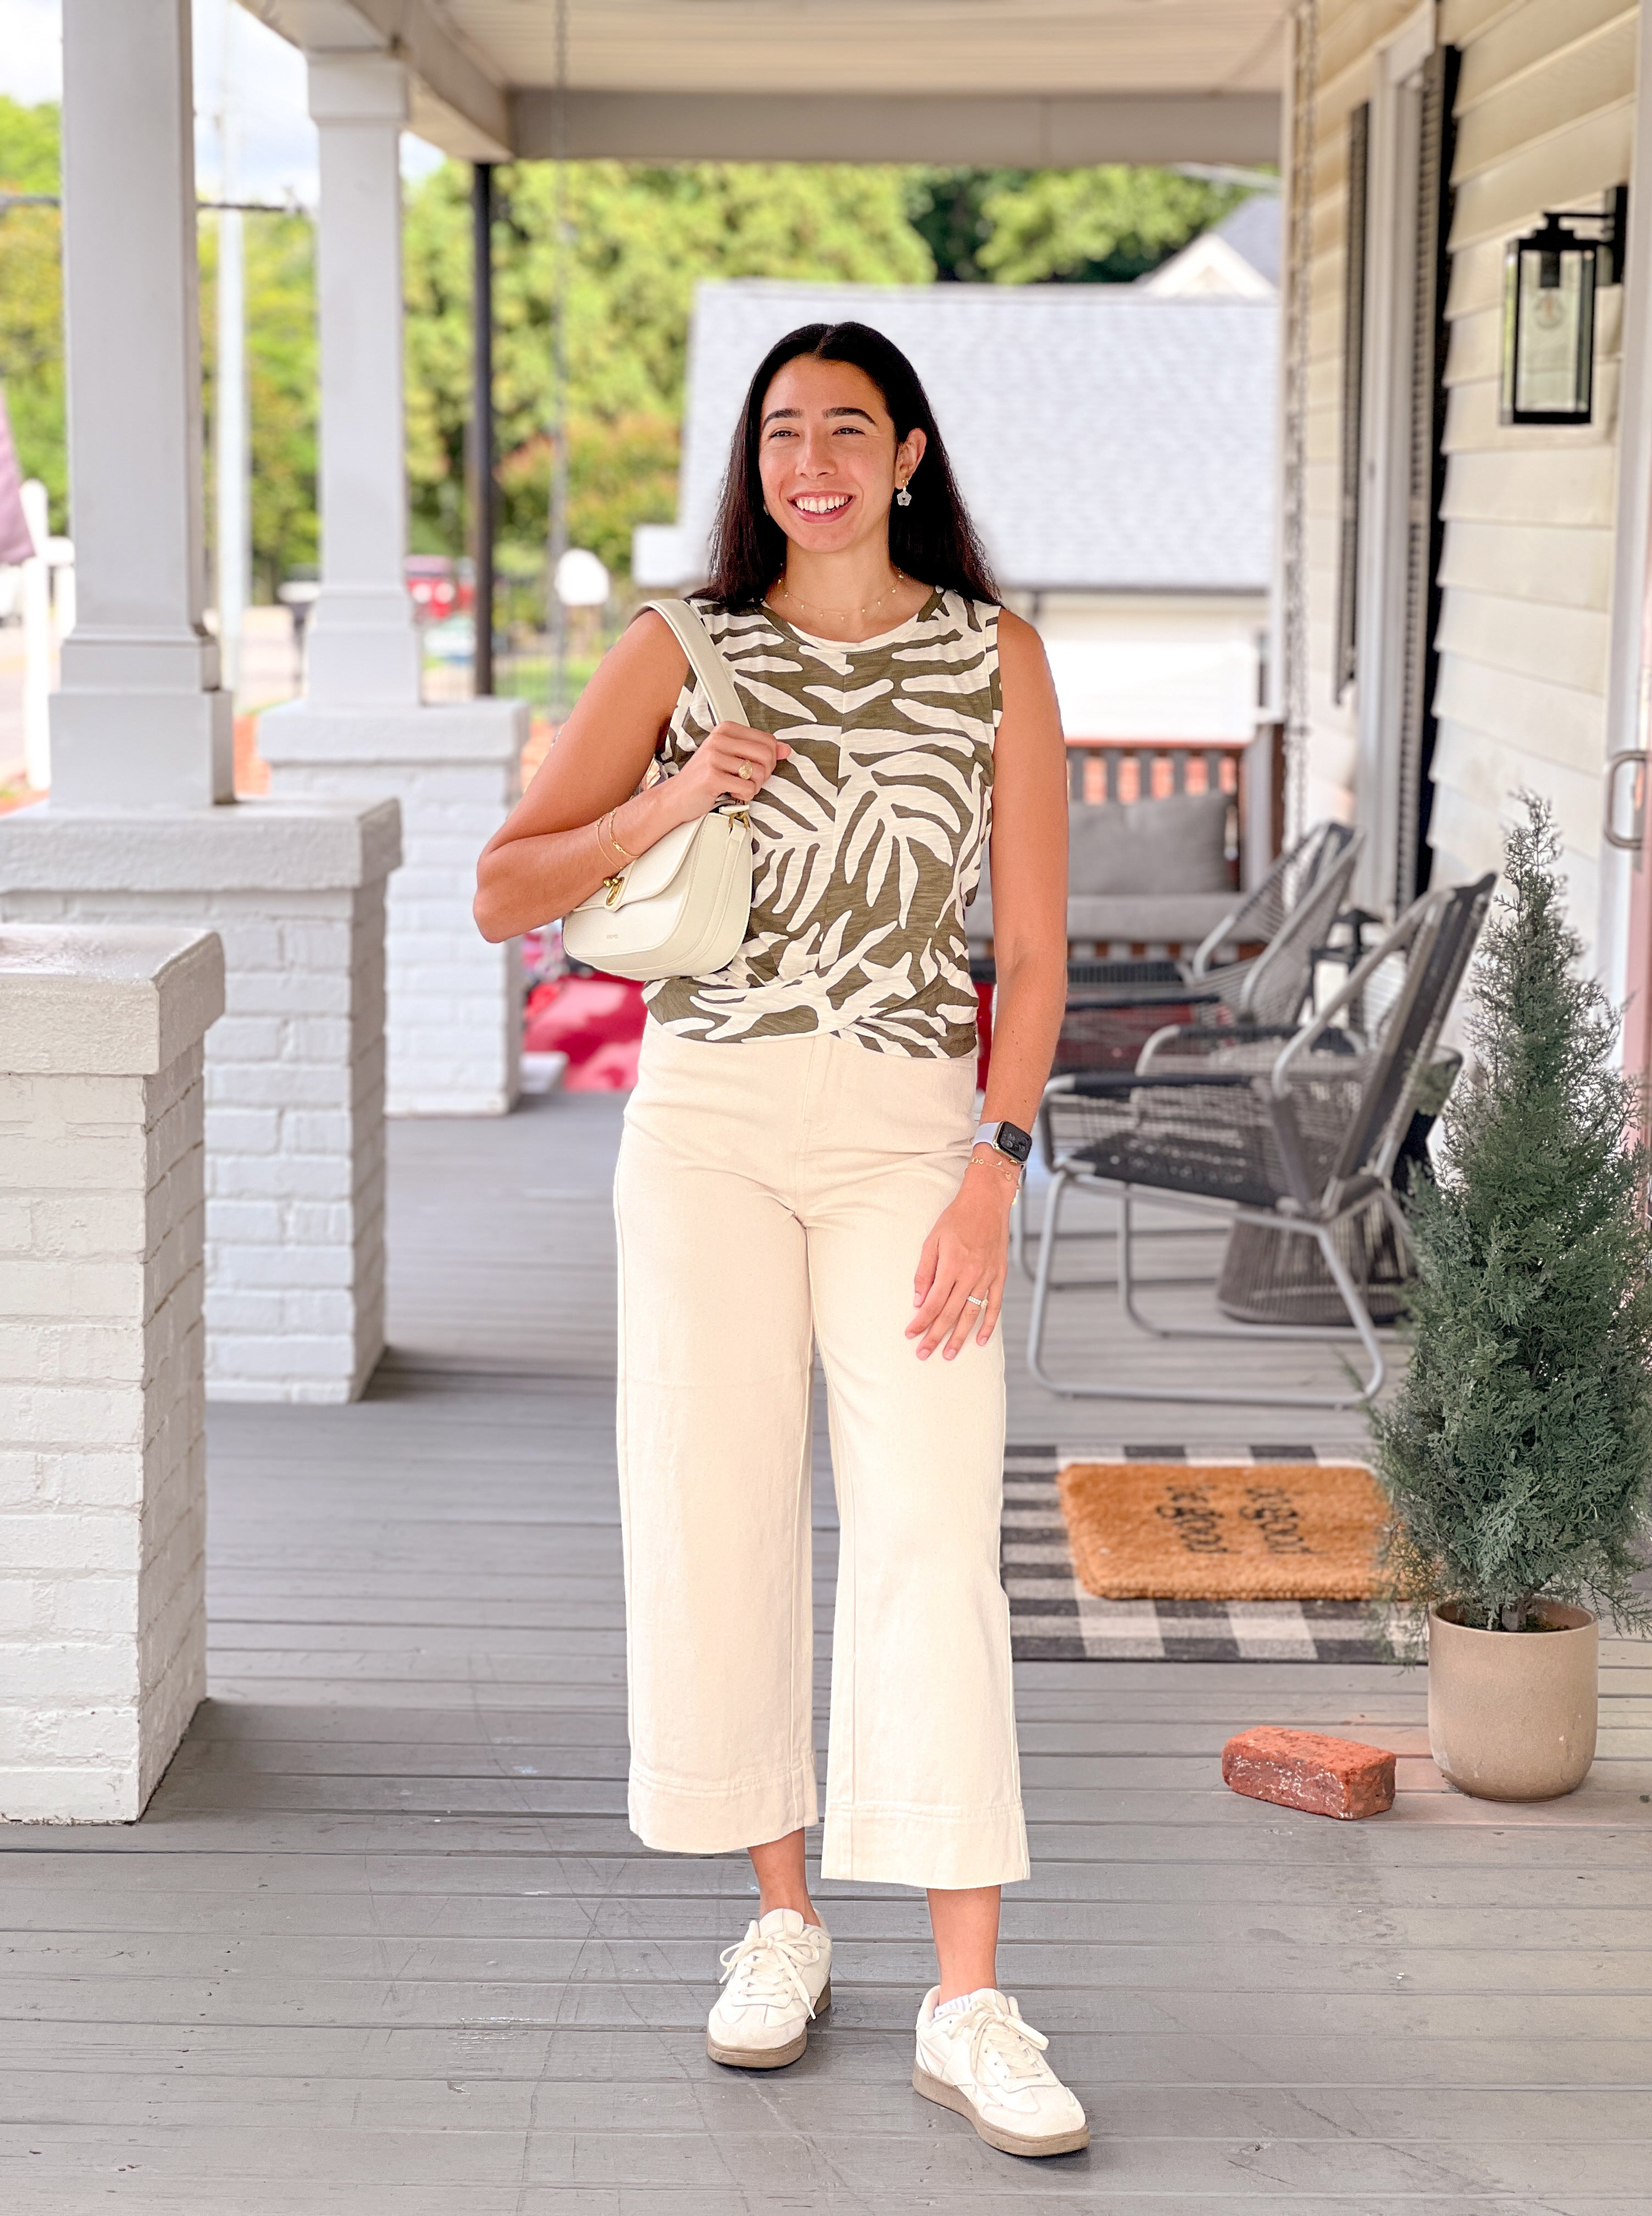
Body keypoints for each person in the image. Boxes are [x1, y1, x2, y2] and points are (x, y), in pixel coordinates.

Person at [475, 322, 1080, 2158]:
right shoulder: (679, 644)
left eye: (846, 429)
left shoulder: (996, 657)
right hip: (708, 1129)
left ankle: (968, 2001)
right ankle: (784, 1921)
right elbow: (508, 886)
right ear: (756, 465)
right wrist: (676, 793)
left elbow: (1030, 953)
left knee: (933, 1533)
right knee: (717, 1511)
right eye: (780, 432)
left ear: (907, 455)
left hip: (911, 1129)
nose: (810, 462)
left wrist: (994, 1166)